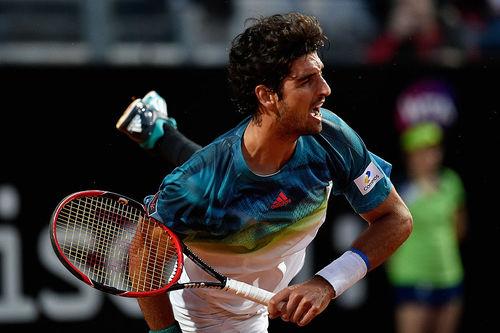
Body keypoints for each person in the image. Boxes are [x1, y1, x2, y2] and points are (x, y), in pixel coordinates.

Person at [116, 12, 413, 333]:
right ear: (267, 95)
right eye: (305, 80)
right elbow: (143, 256)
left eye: (321, 75)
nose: (325, 89)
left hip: (259, 266)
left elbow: (396, 219)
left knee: (240, 191)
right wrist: (165, 332)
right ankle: (162, 135)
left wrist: (326, 283)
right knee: (221, 183)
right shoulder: (197, 182)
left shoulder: (331, 136)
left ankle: (160, 134)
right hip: (212, 314)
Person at [385, 121, 467, 333]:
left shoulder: (451, 182)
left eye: (431, 150)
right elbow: (385, 231)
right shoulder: (397, 190)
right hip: (411, 276)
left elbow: (459, 228)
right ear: (409, 156)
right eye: (419, 152)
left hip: (448, 274)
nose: (426, 157)